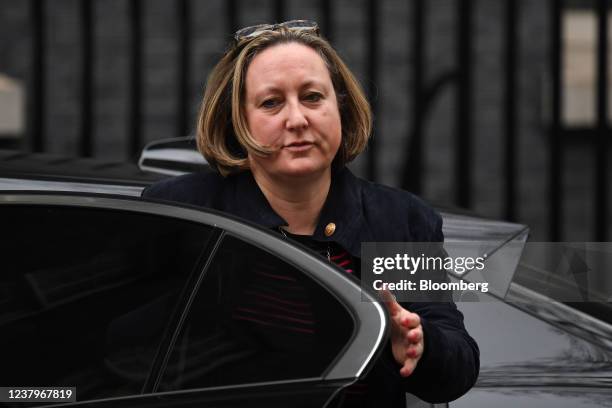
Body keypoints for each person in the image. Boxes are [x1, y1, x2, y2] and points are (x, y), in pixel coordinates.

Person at [142, 20, 479, 407]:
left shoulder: (399, 221)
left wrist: (418, 345)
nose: (297, 119)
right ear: (238, 120)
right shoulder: (183, 212)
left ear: (341, 108)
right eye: (271, 102)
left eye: (313, 97)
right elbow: (123, 351)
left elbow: (458, 369)